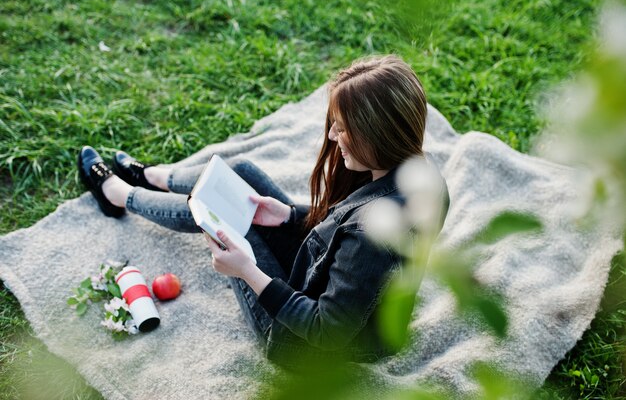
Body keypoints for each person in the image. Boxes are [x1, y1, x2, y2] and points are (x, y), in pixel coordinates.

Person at [77, 55, 449, 368]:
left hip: (295, 339)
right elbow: (342, 233)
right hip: (316, 278)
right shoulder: (423, 177)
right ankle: (155, 176)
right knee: (241, 177)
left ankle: (119, 193)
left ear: (377, 135)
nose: (333, 138)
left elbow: (326, 331)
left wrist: (247, 272)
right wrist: (287, 215)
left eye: (341, 129)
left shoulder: (373, 233)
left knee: (218, 211)